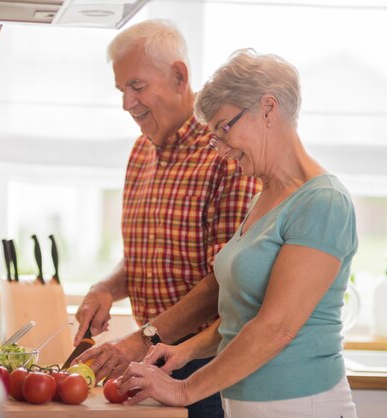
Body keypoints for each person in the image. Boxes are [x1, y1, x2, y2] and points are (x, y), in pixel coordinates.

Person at [116, 48, 359, 418]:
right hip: (245, 403)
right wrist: (188, 350)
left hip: (300, 405)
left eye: (224, 129)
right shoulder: (266, 197)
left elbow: (275, 328)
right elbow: (243, 316)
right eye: (214, 137)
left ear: (268, 109)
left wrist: (184, 389)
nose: (221, 149)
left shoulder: (323, 202)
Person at [73, 20, 260, 418]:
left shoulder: (225, 154)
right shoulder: (141, 152)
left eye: (137, 86)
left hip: (204, 363)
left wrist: (143, 340)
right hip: (152, 360)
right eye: (121, 89)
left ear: (179, 76)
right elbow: (150, 253)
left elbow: (224, 280)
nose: (127, 103)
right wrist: (106, 287)